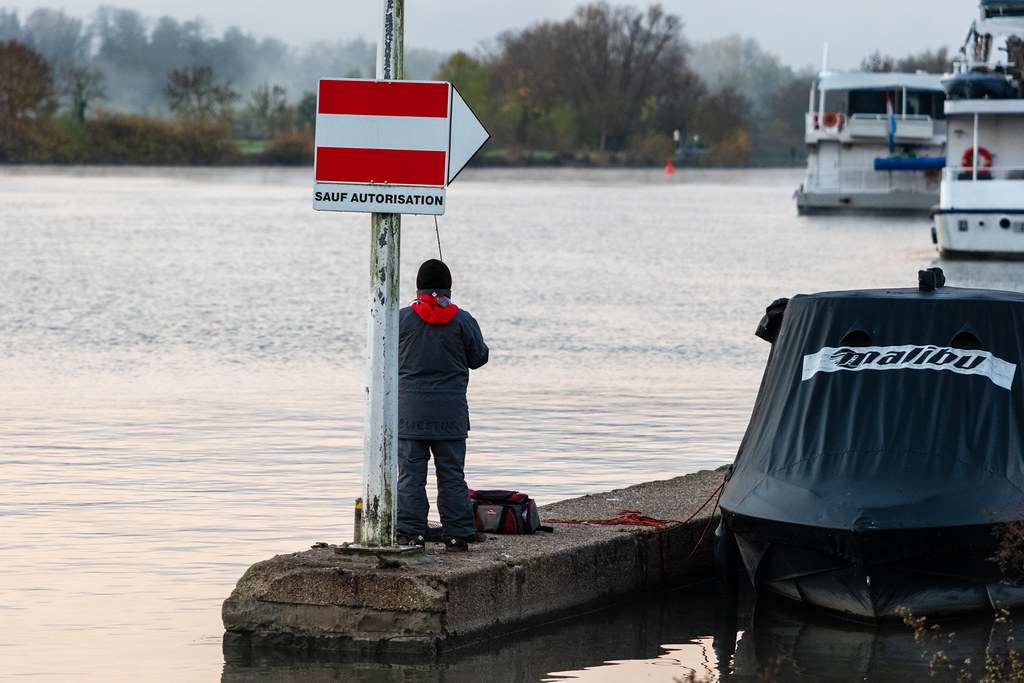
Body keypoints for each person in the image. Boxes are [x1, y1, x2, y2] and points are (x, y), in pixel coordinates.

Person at [396, 259, 489, 551]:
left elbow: (382, 357)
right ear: (449, 287)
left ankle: (411, 535)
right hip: (450, 416)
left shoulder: (399, 320)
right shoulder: (462, 320)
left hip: (409, 416)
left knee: (410, 476)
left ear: (418, 287)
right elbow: (479, 358)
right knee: (451, 475)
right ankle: (457, 535)